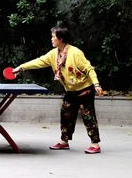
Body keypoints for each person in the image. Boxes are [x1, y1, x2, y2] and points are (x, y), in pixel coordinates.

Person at [13, 26, 103, 154]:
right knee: (66, 115)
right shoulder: (53, 54)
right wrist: (21, 67)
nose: (51, 39)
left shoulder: (76, 53)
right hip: (70, 90)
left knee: (88, 116)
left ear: (60, 38)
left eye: (53, 36)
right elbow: (38, 62)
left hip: (85, 89)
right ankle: (64, 142)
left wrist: (96, 84)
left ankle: (95, 144)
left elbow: (89, 69)